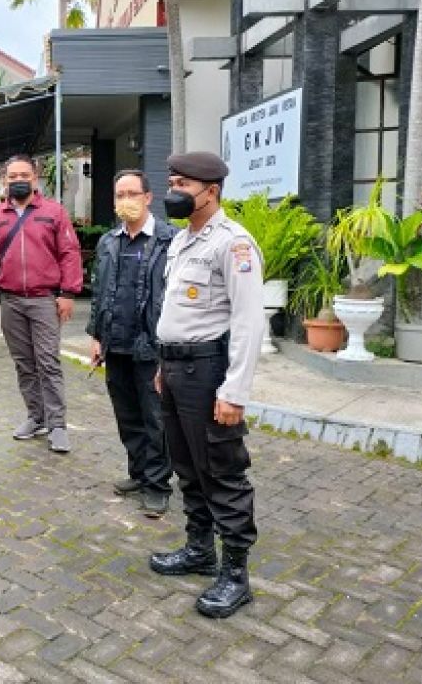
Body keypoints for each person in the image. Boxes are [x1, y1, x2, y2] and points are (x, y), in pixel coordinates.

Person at [148, 151, 264, 619]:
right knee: (187, 467)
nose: (173, 191)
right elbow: (177, 311)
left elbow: (249, 321)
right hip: (176, 369)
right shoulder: (181, 241)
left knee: (222, 470)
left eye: (183, 184)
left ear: (210, 191)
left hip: (208, 372)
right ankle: (199, 549)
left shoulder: (233, 244)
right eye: (171, 182)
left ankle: (236, 574)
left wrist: (234, 392)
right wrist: (164, 365)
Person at [0, 154, 83, 453]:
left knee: (48, 362)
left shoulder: (54, 212)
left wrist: (68, 293)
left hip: (44, 299)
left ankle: (57, 425)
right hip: (11, 301)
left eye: (24, 175)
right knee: (24, 363)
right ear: (5, 181)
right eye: (13, 177)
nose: (18, 180)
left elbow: (69, 253)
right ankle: (36, 416)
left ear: (35, 179)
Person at [87, 170, 177, 517]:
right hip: (116, 343)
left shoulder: (170, 241)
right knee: (127, 416)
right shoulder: (109, 242)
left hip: (152, 345)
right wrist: (97, 336)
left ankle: (157, 485)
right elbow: (99, 293)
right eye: (120, 195)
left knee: (156, 418)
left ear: (148, 197)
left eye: (132, 194)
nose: (125, 201)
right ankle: (138, 474)